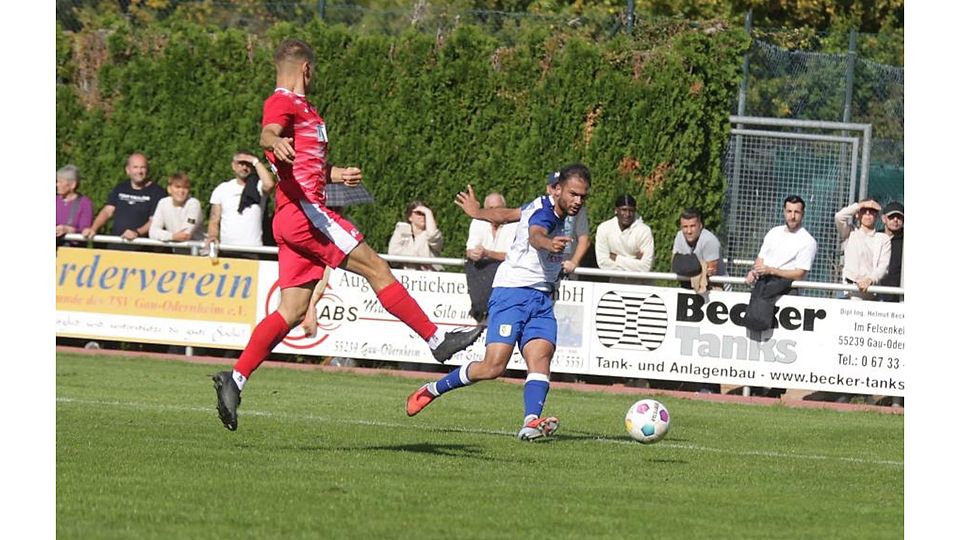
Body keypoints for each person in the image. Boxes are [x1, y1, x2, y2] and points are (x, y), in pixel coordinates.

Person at [212, 38, 481, 431]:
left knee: (290, 311)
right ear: (306, 69)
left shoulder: (304, 109)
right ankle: (436, 338)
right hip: (307, 215)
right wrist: (274, 140)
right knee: (377, 268)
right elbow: (268, 132)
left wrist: (334, 174)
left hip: (289, 216)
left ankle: (235, 379)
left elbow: (300, 162)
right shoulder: (284, 101)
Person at [406, 163, 592, 442]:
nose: (578, 201)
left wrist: (478, 212)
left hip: (542, 297)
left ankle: (531, 422)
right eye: (573, 194)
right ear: (558, 190)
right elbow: (536, 233)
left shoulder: (544, 205)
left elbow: (506, 214)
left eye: (583, 196)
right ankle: (432, 389)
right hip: (512, 293)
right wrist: (547, 244)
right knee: (493, 367)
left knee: (541, 358)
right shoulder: (545, 212)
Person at [744, 195, 817, 398]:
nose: (792, 216)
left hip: (787, 292)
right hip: (763, 287)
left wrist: (772, 270)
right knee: (757, 335)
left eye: (796, 212)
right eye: (789, 211)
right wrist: (754, 271)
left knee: (782, 343)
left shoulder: (807, 241)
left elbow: (799, 273)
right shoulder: (774, 233)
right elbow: (760, 259)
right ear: (784, 211)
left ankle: (777, 388)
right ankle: (757, 384)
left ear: (802, 214)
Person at [81, 153, 167, 250]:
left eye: (143, 167)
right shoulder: (121, 188)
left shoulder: (157, 192)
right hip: (116, 246)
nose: (139, 171)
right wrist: (93, 229)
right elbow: (107, 211)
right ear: (128, 170)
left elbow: (154, 221)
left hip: (141, 249)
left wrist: (137, 232)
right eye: (135, 167)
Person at [206, 151, 276, 258]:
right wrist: (212, 236)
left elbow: (269, 184)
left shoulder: (258, 186)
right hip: (227, 250)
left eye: (248, 164)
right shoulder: (222, 189)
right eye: (241, 163)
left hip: (253, 250)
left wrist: (255, 161)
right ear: (233, 166)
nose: (244, 167)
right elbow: (214, 219)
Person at [464, 192, 519, 323]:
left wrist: (488, 254)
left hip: (505, 274)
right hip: (481, 274)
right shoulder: (478, 222)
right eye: (490, 209)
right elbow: (469, 250)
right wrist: (473, 253)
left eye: (498, 208)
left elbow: (513, 256)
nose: (494, 212)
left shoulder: (515, 225)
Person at [835, 197, 891, 301]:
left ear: (877, 215)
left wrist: (870, 280)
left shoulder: (883, 238)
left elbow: (883, 266)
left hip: (872, 292)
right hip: (849, 291)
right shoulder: (850, 232)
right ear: (857, 214)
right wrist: (860, 205)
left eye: (872, 211)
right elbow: (839, 217)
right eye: (864, 211)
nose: (868, 214)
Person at [594, 193, 655, 281]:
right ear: (616, 210)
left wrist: (617, 258)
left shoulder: (644, 231)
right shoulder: (604, 228)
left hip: (641, 286)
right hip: (615, 285)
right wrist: (634, 261)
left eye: (631, 210)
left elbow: (646, 267)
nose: (627, 214)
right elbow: (603, 262)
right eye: (624, 210)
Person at [671, 207, 728, 291]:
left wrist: (686, 264)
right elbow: (674, 263)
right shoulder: (679, 236)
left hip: (717, 287)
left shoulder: (710, 240)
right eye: (685, 227)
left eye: (692, 226)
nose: (689, 231)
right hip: (689, 286)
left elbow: (711, 271)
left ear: (700, 225)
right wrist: (699, 265)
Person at [547, 171, 590, 279]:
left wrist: (574, 262)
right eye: (554, 187)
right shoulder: (541, 209)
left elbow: (584, 240)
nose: (557, 191)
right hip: (545, 269)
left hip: (568, 271)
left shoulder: (577, 210)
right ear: (548, 189)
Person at [148, 172, 205, 246]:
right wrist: (172, 236)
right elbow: (152, 232)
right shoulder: (163, 203)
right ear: (169, 189)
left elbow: (185, 234)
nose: (181, 191)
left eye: (185, 188)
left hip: (200, 253)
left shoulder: (193, 204)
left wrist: (165, 236)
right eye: (177, 187)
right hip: (178, 252)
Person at [387, 201, 444, 271]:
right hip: (406, 277)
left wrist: (428, 212)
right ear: (410, 217)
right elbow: (393, 253)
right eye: (419, 213)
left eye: (425, 214)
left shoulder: (433, 234)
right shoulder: (401, 231)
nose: (423, 216)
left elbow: (433, 236)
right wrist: (418, 256)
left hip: (430, 278)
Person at [56, 165, 94, 248]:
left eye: (60, 182)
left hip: (72, 250)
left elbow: (85, 229)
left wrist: (67, 230)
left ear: (72, 185)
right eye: (57, 182)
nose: (57, 185)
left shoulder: (84, 203)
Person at [878, 201, 904, 303]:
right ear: (884, 219)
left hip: (898, 297)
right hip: (874, 294)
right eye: (892, 217)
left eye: (899, 217)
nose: (896, 220)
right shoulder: (876, 237)